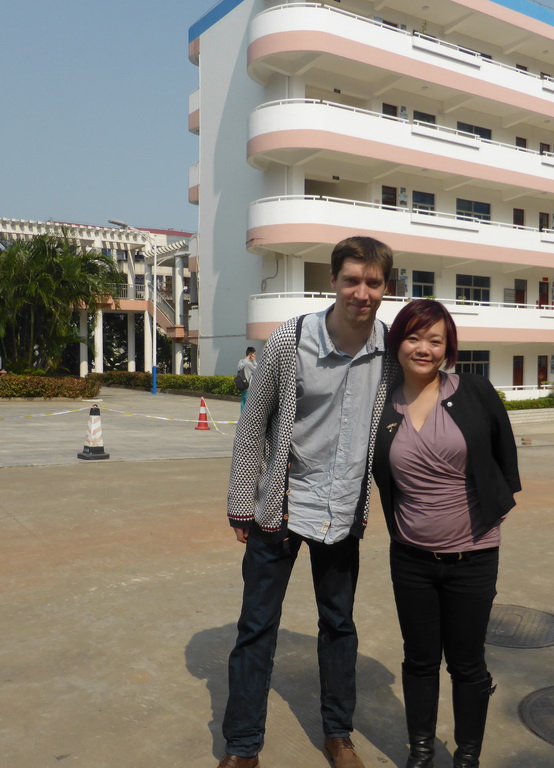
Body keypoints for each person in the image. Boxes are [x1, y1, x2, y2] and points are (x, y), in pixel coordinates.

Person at [217, 236, 396, 768]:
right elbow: (253, 425)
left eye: (373, 282)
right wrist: (242, 502)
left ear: (386, 288)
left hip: (342, 511)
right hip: (283, 507)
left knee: (339, 626)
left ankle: (338, 735)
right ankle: (242, 747)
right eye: (351, 280)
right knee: (255, 628)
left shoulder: (391, 349)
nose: (361, 293)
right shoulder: (289, 342)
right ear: (333, 281)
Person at [371, 299, 521, 768]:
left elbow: (503, 456)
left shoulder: (474, 390)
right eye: (414, 337)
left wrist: (490, 513)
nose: (424, 348)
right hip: (411, 558)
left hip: (473, 558)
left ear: (448, 347)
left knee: (467, 662)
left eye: (435, 340)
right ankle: (420, 751)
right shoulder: (382, 405)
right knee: (419, 661)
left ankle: (468, 756)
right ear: (397, 343)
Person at [236, 346, 257, 411]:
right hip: (248, 386)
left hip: (242, 385)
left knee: (243, 402)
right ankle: (247, 419)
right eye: (254, 354)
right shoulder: (249, 364)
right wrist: (254, 361)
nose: (255, 355)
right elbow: (258, 371)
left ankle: (242, 418)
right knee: (249, 405)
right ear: (250, 354)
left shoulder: (240, 362)